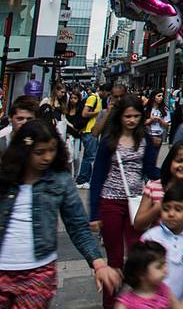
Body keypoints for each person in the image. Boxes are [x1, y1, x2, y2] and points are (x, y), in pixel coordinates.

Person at [0, 120, 121, 307]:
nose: (47, 157)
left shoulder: (60, 181)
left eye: (52, 150)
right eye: (39, 152)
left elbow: (78, 226)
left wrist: (98, 263)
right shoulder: (4, 177)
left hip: (38, 274)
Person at [90, 95, 161, 309]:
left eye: (136, 116)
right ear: (120, 116)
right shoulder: (109, 141)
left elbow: (150, 170)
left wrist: (172, 173)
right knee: (114, 259)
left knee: (137, 254)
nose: (131, 120)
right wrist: (94, 214)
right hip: (110, 201)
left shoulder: (146, 140)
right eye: (127, 116)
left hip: (136, 203)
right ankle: (110, 304)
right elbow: (97, 177)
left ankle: (136, 302)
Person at [134, 142, 183, 231]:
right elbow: (138, 224)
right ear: (170, 162)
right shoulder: (153, 186)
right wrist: (158, 207)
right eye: (179, 160)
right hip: (158, 241)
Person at [116, 240, 183, 309]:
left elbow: (181, 307)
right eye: (159, 266)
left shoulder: (164, 290)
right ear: (140, 273)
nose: (165, 269)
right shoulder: (125, 304)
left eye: (165, 264)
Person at [76, 82, 112, 186]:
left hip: (91, 131)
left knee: (88, 156)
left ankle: (84, 178)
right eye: (108, 94)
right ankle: (83, 179)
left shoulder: (99, 99)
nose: (108, 97)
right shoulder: (93, 98)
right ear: (104, 91)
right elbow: (85, 113)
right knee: (90, 157)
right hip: (88, 131)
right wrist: (100, 112)